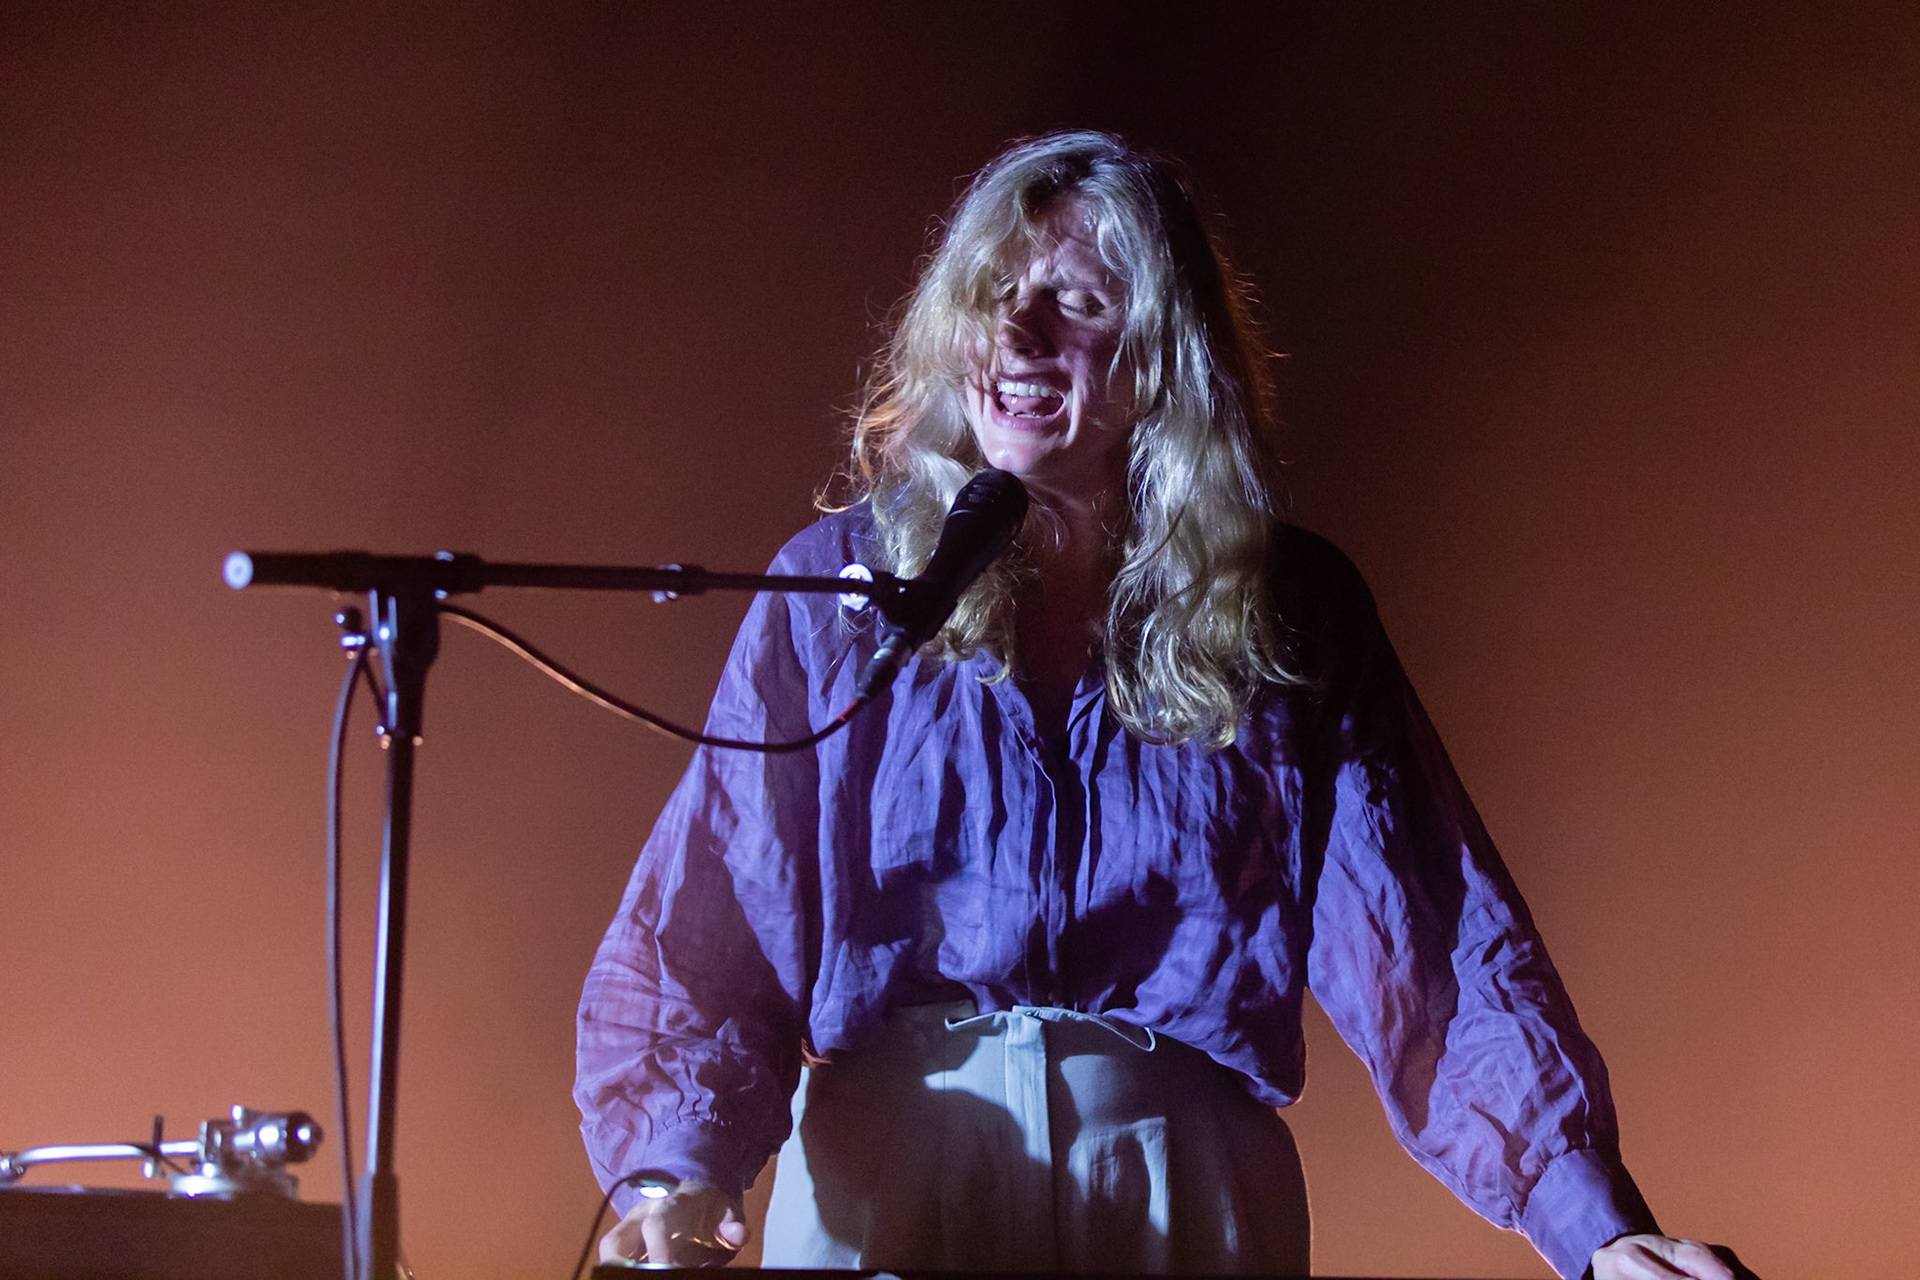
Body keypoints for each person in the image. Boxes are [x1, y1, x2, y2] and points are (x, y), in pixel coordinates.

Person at [575, 131, 1737, 1280]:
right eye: (992, 293)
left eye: (1075, 299)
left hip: (1181, 1198)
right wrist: (676, 1179)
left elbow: (1432, 941)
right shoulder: (837, 592)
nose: (1017, 332)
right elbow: (715, 911)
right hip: (892, 1181)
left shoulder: (1290, 612)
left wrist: (1598, 1228)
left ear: (1163, 356)